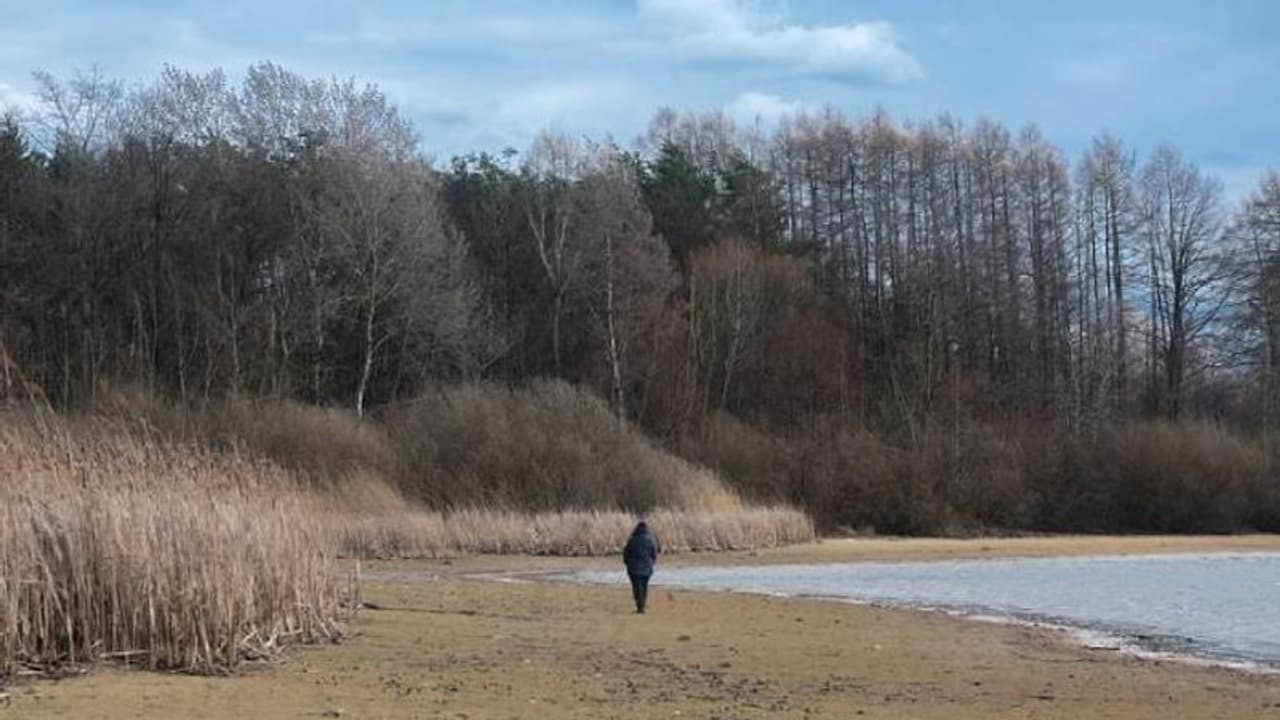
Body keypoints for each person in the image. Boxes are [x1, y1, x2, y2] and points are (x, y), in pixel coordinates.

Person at [622, 520, 659, 613]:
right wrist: (652, 563)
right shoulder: (650, 540)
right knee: (644, 587)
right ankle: (642, 605)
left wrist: (627, 562)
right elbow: (654, 553)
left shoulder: (632, 540)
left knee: (636, 587)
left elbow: (626, 553)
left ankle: (639, 605)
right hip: (647, 568)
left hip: (633, 568)